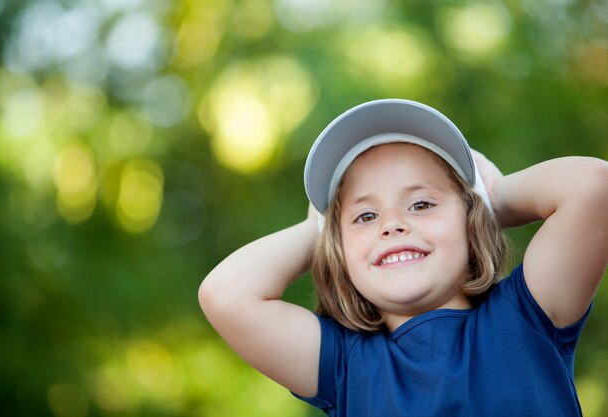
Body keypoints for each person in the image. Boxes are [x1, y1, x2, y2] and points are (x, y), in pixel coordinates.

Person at [198, 99, 608, 416]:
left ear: (469, 219)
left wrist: (489, 202)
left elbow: (593, 186)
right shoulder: (344, 365)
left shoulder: (525, 316)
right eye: (366, 215)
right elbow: (226, 294)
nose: (391, 225)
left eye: (421, 204)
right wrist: (321, 231)